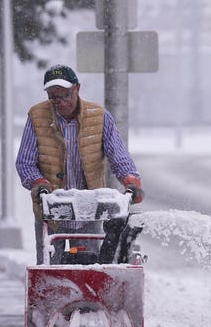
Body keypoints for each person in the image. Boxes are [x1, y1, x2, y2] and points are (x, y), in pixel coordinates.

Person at [15, 64, 143, 264]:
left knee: (89, 265)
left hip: (89, 209)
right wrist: (38, 182)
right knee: (49, 266)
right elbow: (25, 162)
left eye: (65, 95)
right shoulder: (37, 117)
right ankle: (53, 295)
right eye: (54, 97)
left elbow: (118, 155)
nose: (60, 102)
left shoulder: (99, 117)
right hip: (51, 209)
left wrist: (131, 180)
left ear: (77, 89)